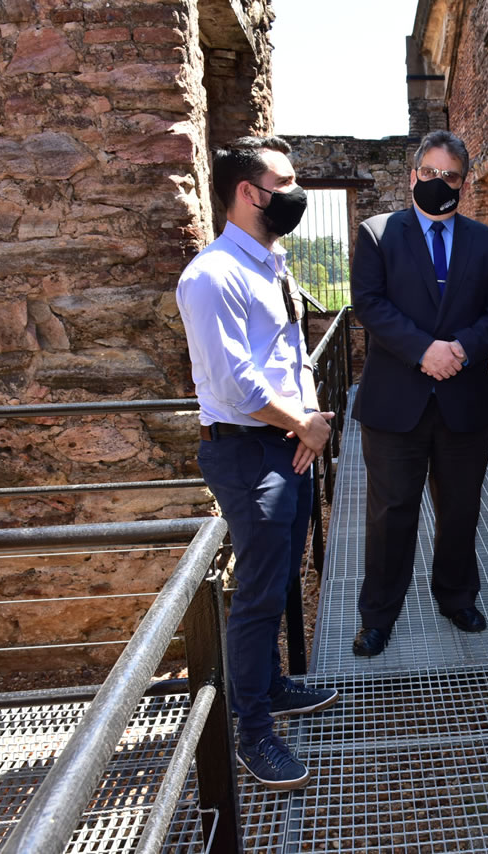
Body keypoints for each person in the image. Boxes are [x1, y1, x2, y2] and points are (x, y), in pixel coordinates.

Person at [176, 136, 340, 791]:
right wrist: (302, 424)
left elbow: (292, 355)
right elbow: (236, 383)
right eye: (286, 182)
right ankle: (253, 734)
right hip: (247, 449)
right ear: (249, 192)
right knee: (257, 594)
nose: (297, 193)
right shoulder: (212, 275)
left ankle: (270, 685)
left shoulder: (271, 265)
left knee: (279, 578)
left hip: (288, 442)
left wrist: (311, 420)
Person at [349, 130, 488, 657]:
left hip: (462, 400)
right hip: (396, 401)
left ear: (463, 183)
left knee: (461, 509)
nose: (438, 182)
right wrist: (424, 351)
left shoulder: (487, 243)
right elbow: (369, 304)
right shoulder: (378, 234)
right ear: (412, 175)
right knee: (391, 514)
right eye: (429, 173)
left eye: (450, 176)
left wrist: (460, 349)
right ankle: (379, 616)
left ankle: (457, 596)